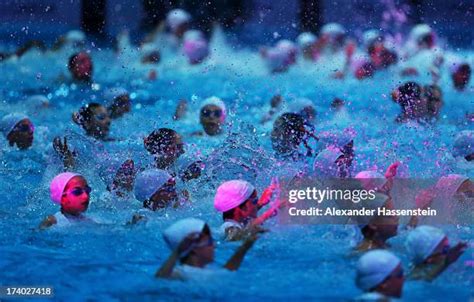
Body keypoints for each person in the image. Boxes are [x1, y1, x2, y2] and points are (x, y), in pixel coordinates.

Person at [155, 218, 258, 279]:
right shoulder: (181, 273)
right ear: (193, 248)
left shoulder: (204, 270)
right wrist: (178, 251)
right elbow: (160, 278)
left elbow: (226, 272)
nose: (213, 244)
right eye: (209, 241)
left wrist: (245, 248)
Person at [214, 179, 282, 241]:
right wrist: (270, 212)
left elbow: (244, 215)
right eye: (255, 201)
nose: (257, 204)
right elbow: (235, 236)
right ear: (240, 207)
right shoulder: (229, 227)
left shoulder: (238, 222)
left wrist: (261, 203)